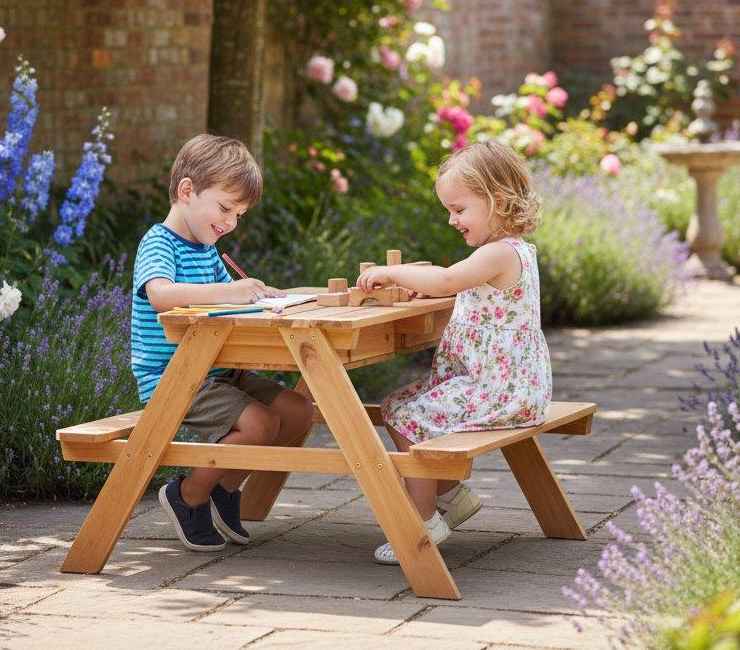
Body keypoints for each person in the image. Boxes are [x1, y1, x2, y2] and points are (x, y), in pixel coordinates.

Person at [355, 140, 550, 565]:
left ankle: (423, 521)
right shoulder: (499, 253)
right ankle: (451, 495)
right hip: (499, 383)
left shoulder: (500, 252)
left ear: (497, 202)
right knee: (397, 404)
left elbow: (445, 281)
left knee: (412, 418)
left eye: (459, 209)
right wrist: (419, 284)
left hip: (500, 389)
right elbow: (452, 286)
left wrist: (386, 271)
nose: (451, 219)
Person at [131, 133, 314, 552]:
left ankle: (223, 487)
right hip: (175, 377)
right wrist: (231, 291)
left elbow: (225, 302)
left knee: (298, 410)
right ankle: (189, 494)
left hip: (217, 369)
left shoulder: (206, 248)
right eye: (225, 208)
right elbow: (160, 294)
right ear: (187, 191)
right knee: (261, 424)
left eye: (240, 214)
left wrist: (261, 298)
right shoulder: (160, 242)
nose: (231, 222)